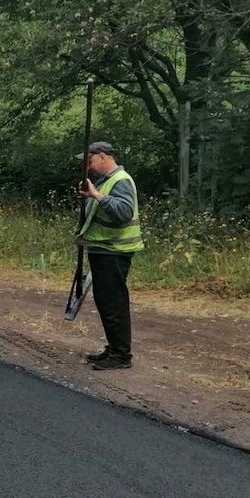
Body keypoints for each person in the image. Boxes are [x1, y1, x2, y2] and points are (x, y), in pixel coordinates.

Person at [76, 141, 144, 370]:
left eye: (90, 161)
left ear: (103, 156)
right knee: (105, 302)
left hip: (114, 251)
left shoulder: (120, 180)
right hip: (104, 250)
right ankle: (114, 349)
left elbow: (123, 213)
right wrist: (89, 197)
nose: (88, 167)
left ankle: (121, 355)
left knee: (113, 303)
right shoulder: (105, 181)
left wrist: (97, 196)